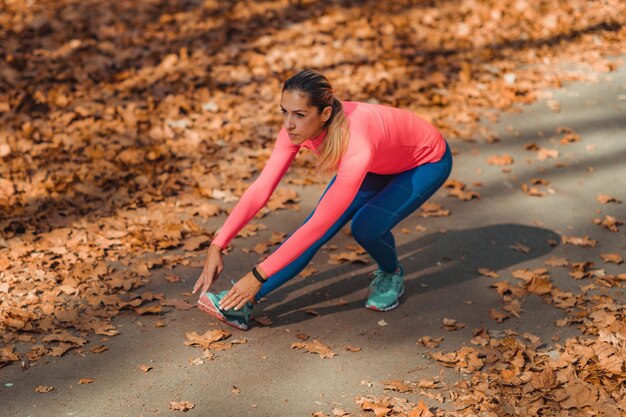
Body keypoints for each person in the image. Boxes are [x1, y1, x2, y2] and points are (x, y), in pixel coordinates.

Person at [192, 69, 452, 330]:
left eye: (299, 115)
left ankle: (391, 272)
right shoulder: (295, 131)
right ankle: (242, 304)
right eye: (284, 111)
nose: (288, 124)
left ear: (325, 114)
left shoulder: (355, 144)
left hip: (425, 162)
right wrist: (218, 243)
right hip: (379, 163)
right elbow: (262, 187)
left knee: (366, 228)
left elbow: (318, 225)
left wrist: (257, 275)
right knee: (315, 231)